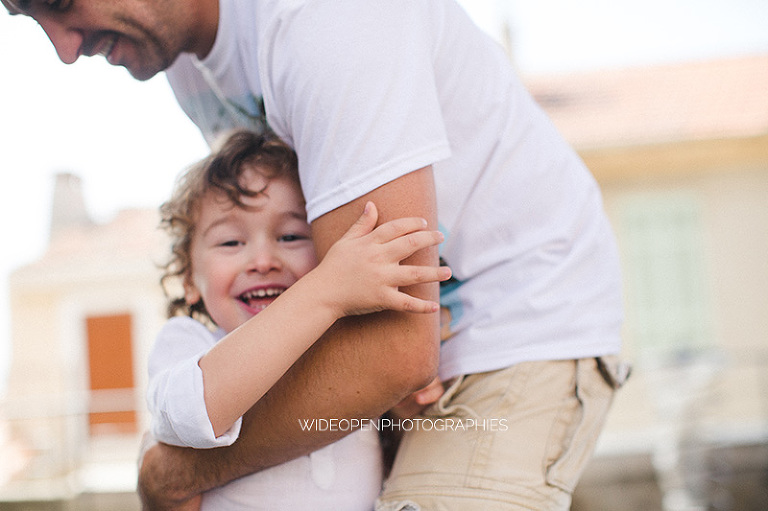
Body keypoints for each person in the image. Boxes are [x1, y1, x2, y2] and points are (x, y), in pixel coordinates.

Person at [3, 0, 629, 509]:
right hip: (394, 349)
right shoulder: (184, 63)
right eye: (29, 18)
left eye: (60, 3)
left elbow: (390, 348)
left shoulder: (327, 18)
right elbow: (277, 241)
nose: (62, 48)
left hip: (513, 320)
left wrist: (172, 472)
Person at [148, 128, 449, 510]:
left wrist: (401, 405)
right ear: (190, 279)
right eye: (230, 242)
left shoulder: (345, 352)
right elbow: (192, 414)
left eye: (290, 236)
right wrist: (325, 290)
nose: (263, 261)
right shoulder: (188, 342)